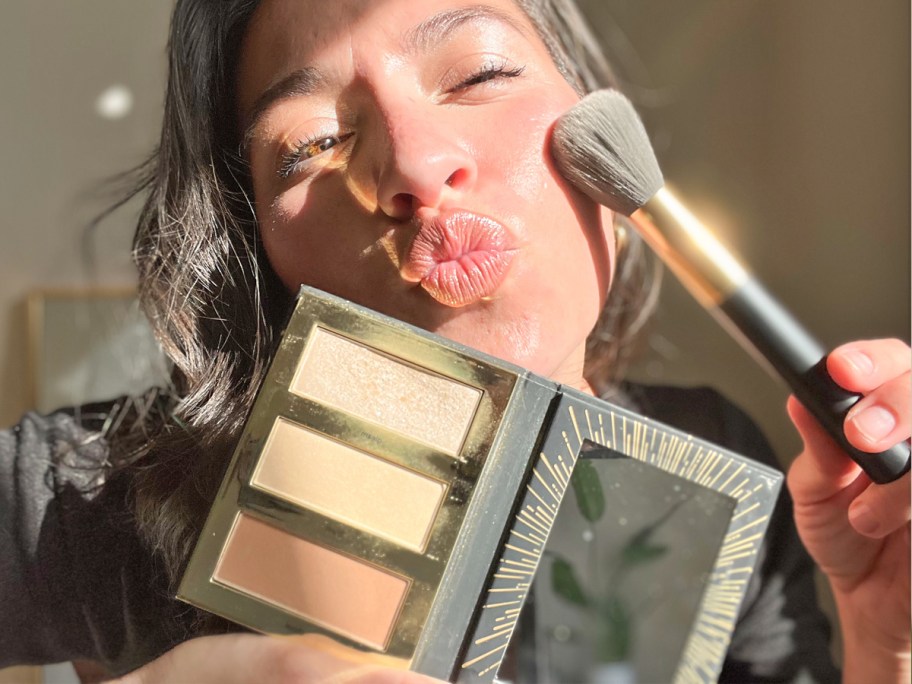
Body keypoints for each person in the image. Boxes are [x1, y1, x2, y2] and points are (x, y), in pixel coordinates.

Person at [0, 0, 908, 682]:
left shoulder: (724, 463)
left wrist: (884, 642)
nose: (414, 162)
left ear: (612, 166)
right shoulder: (102, 491)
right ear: (261, 254)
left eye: (478, 74)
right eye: (311, 143)